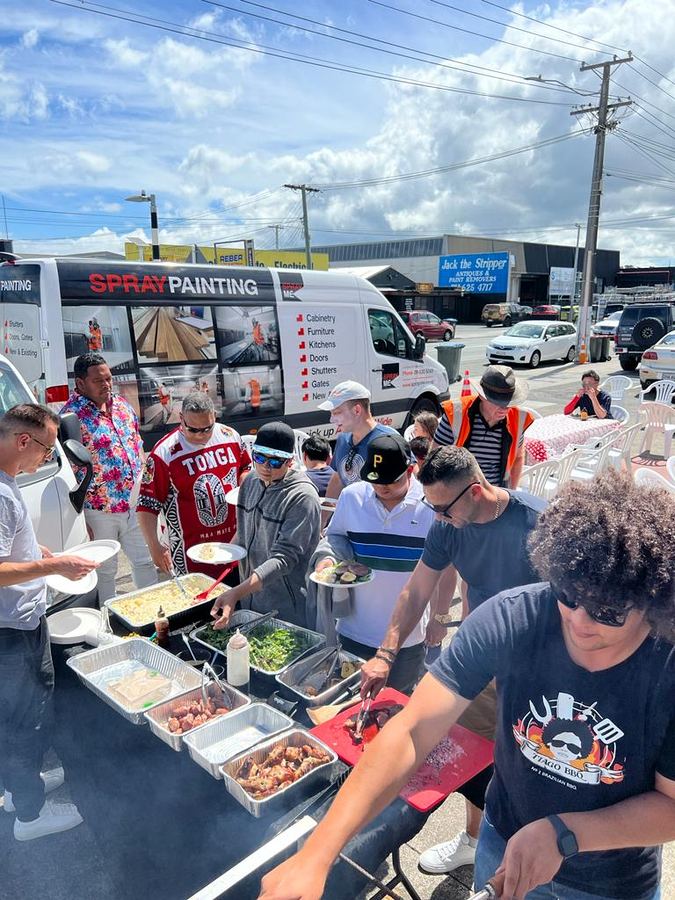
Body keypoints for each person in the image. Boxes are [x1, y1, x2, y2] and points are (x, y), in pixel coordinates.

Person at [260, 471, 675, 900]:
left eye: (608, 613)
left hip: (611, 882)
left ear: (655, 602)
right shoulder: (512, 618)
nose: (579, 621)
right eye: (567, 594)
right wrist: (317, 854)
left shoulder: (668, 663)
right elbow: (411, 730)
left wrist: (566, 834)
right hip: (501, 845)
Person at [360, 445, 545, 875]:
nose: (436, 517)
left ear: (476, 492)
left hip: (538, 669)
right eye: (431, 506)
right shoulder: (447, 524)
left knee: (532, 762)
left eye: (443, 508)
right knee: (473, 752)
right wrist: (386, 653)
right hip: (483, 659)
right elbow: (416, 590)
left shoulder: (538, 523)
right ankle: (474, 839)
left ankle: (526, 856)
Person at [0, 404, 98, 841]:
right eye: (45, 449)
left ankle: (18, 787)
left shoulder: (8, 483)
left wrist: (40, 553)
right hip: (11, 630)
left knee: (14, 716)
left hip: (17, 622)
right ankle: (30, 815)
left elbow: (13, 546)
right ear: (24, 441)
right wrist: (53, 568)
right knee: (25, 717)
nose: (46, 458)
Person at [311, 433, 435, 692]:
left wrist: (439, 618)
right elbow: (336, 536)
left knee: (394, 709)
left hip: (407, 636)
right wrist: (327, 559)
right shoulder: (352, 497)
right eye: (376, 481)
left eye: (392, 480)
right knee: (348, 709)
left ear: (411, 470)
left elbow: (446, 569)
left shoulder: (431, 505)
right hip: (354, 628)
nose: (382, 488)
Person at [60, 353, 157, 602]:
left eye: (108, 379)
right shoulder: (70, 418)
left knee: (145, 562)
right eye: (98, 381)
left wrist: (146, 488)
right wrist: (81, 520)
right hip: (99, 510)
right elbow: (67, 471)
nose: (106, 385)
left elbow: (138, 446)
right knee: (105, 571)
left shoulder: (123, 406)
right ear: (80, 384)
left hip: (134, 505)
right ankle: (109, 625)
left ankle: (153, 615)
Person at [210, 422, 320, 628]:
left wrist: (236, 592)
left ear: (290, 461)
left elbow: (283, 559)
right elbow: (244, 529)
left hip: (288, 605)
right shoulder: (250, 481)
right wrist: (226, 552)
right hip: (249, 596)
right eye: (259, 457)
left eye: (276, 461)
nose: (265, 467)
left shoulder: (303, 497)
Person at [136, 393, 250, 579]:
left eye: (207, 428)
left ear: (214, 416)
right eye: (193, 430)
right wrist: (155, 547)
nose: (201, 435)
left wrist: (244, 480)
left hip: (234, 548)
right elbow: (146, 506)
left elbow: (245, 467)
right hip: (190, 558)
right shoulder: (164, 453)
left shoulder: (230, 436)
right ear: (181, 419)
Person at [432, 364, 533, 489]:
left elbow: (518, 457)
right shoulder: (456, 413)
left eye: (508, 402)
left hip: (496, 493)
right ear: (481, 396)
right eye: (498, 402)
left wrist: (511, 492)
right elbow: (435, 457)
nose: (504, 408)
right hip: (458, 493)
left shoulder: (518, 418)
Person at [320, 381, 396, 500]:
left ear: (357, 410)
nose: (331, 419)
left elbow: (406, 483)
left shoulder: (389, 441)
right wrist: (324, 516)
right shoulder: (343, 439)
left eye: (336, 412)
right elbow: (338, 478)